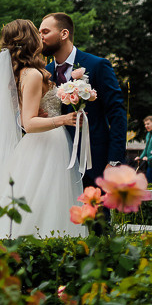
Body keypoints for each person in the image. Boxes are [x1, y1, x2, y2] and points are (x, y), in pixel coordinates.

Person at [0, 19, 82, 239]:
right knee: (45, 205)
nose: (41, 36)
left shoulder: (24, 73)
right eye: (37, 32)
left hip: (42, 145)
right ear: (29, 39)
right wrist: (63, 119)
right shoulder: (33, 75)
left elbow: (20, 117)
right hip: (46, 145)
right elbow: (29, 123)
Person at [39, 13, 128, 189]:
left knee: (98, 217)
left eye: (45, 32)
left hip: (95, 165)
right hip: (56, 165)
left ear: (64, 34)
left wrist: (114, 161)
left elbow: (117, 113)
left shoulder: (97, 65)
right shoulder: (44, 73)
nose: (40, 37)